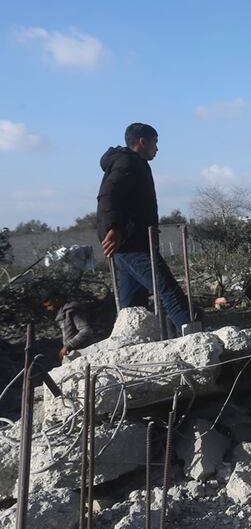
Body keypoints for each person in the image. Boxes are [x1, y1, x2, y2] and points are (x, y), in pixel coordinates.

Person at [96, 123, 191, 330]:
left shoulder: (133, 163)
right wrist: (113, 228)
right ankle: (196, 338)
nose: (157, 148)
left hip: (132, 242)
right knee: (168, 291)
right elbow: (108, 195)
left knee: (132, 306)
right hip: (133, 244)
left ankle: (130, 341)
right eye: (155, 143)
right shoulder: (128, 163)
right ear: (142, 142)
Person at [42, 291, 95, 359]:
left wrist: (68, 345)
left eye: (50, 305)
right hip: (75, 353)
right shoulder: (63, 313)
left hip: (85, 352)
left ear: (56, 300)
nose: (48, 309)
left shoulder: (72, 311)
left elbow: (86, 330)